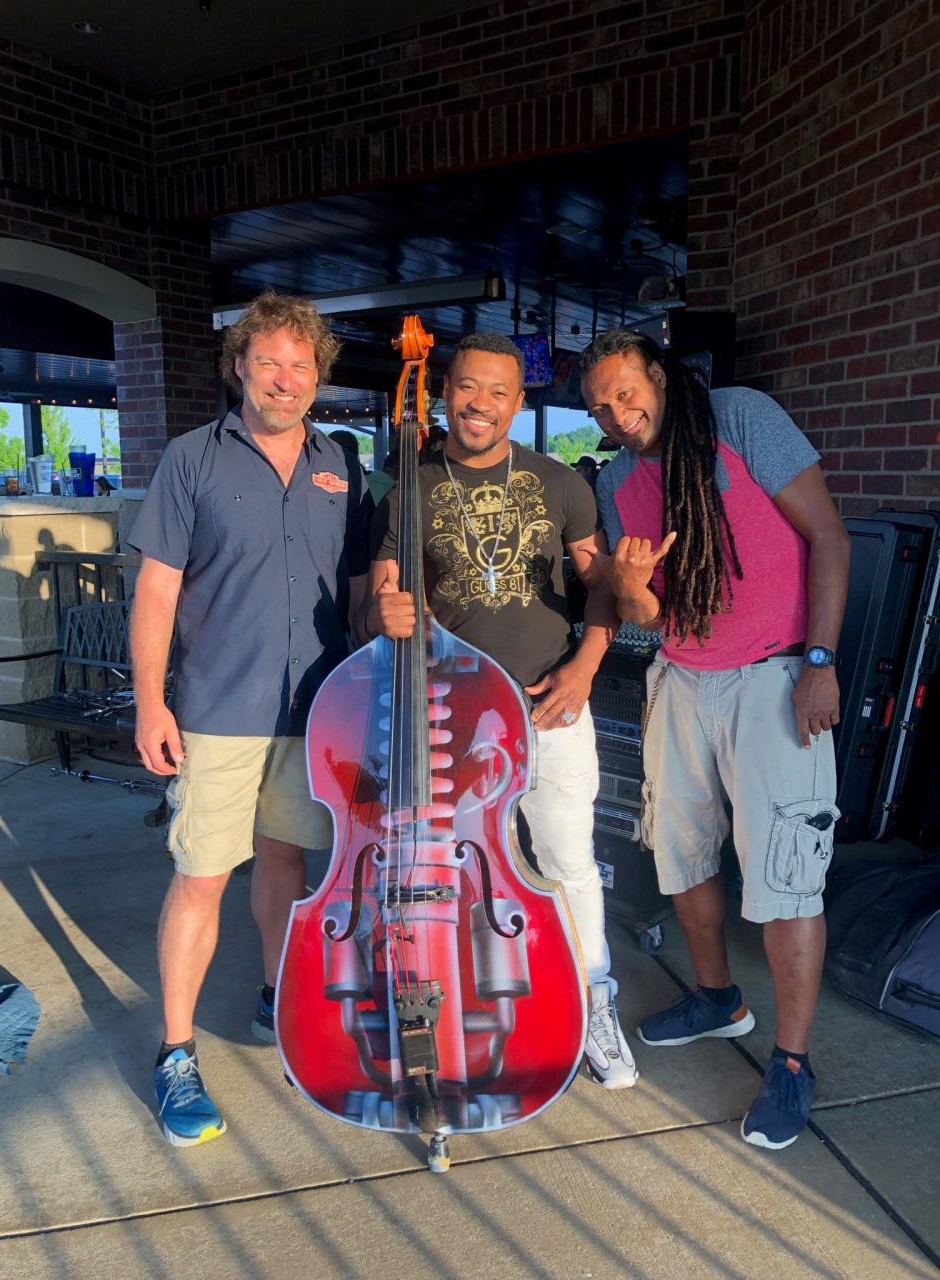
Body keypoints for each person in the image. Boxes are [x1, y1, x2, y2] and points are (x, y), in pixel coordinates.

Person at [580, 329, 850, 1149]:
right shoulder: (621, 481)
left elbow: (830, 539)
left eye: (627, 392)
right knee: (682, 852)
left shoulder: (739, 421)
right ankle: (717, 999)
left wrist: (822, 662)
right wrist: (628, 590)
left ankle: (794, 1064)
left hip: (776, 678)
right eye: (600, 406)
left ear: (658, 375)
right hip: (683, 679)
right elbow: (651, 614)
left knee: (787, 879)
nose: (619, 415)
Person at [129, 290, 373, 1146]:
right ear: (239, 366)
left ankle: (279, 998)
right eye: (268, 361)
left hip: (314, 708)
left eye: (300, 366)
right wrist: (152, 701)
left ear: (318, 378)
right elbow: (156, 588)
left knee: (289, 863)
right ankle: (175, 1052)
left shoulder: (340, 464)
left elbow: (353, 592)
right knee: (201, 876)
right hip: (219, 710)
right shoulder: (192, 459)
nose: (284, 378)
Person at [365, 331, 639, 1090]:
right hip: (452, 711)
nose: (479, 404)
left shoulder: (562, 483)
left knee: (568, 863)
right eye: (466, 388)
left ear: (519, 404)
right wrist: (380, 612)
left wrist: (585, 668)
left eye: (497, 392)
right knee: (453, 874)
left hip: (552, 701)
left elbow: (601, 586)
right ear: (444, 390)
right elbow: (377, 602)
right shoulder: (409, 486)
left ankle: (593, 1005)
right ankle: (464, 1009)